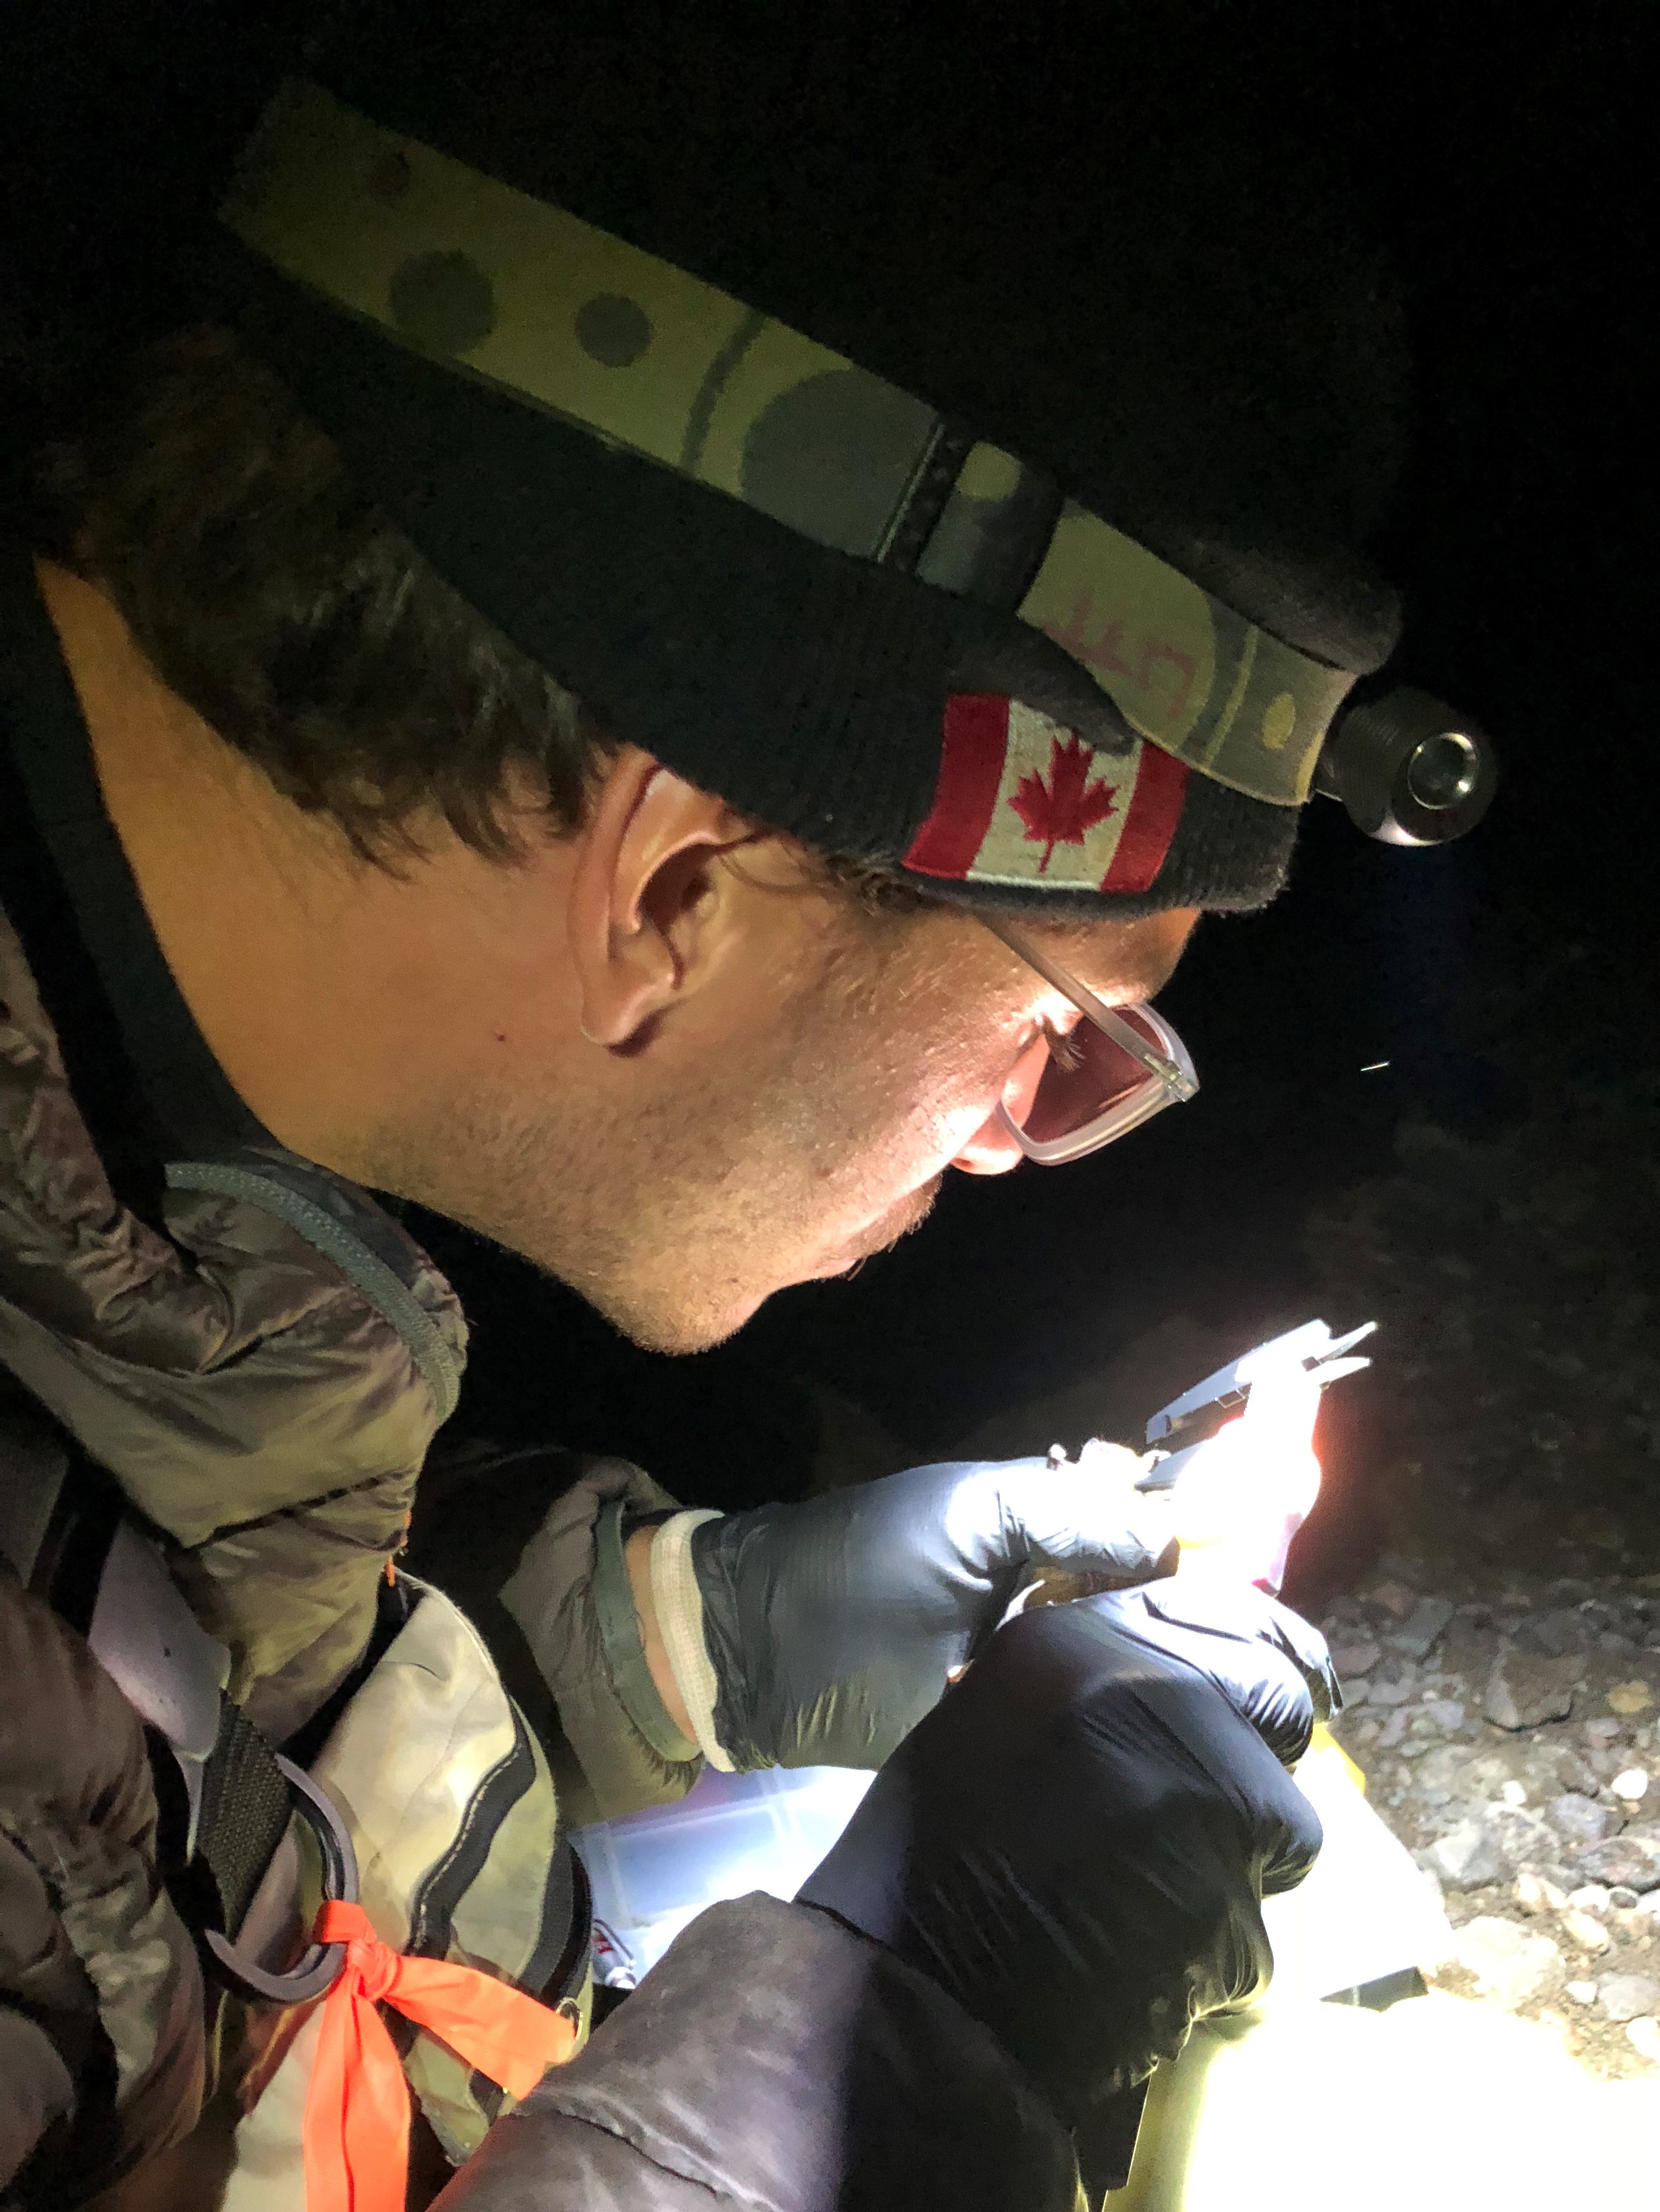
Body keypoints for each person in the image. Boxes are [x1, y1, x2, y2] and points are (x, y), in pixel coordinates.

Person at [1, 6, 1408, 2205]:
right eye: (1062, 1029)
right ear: (672, 891)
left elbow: (167, 1740)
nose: (1018, 1144)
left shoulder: (147, 1158)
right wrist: (896, 2056)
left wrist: (696, 1641)